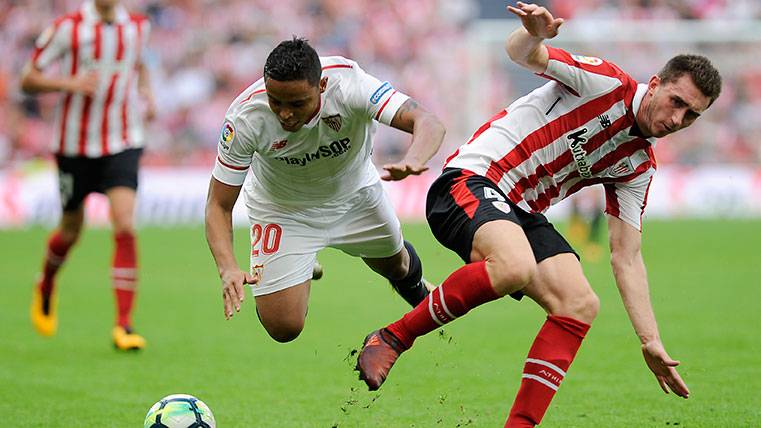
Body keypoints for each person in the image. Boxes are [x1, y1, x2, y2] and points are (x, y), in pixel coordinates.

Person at [355, 2, 721, 426]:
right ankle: (393, 337)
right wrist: (533, 34)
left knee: (579, 304)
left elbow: (627, 255)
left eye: (692, 115)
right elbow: (523, 54)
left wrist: (651, 340)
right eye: (676, 102)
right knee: (513, 266)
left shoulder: (638, 165)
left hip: (521, 212)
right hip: (472, 179)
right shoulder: (604, 82)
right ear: (655, 84)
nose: (677, 119)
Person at [205, 38, 445, 342]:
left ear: (321, 85)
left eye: (296, 104)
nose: (285, 114)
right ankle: (298, 267)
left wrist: (414, 159)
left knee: (396, 267)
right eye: (275, 101)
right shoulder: (245, 118)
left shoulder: (350, 85)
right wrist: (228, 268)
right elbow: (218, 204)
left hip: (355, 197)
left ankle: (417, 289)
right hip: (284, 211)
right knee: (283, 328)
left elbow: (428, 121)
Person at [22, 0, 155, 350]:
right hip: (74, 146)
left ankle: (124, 326)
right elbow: (28, 78)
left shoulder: (138, 27)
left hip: (123, 140)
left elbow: (138, 64)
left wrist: (147, 93)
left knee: (124, 224)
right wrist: (69, 83)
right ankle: (47, 282)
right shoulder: (69, 27)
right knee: (70, 230)